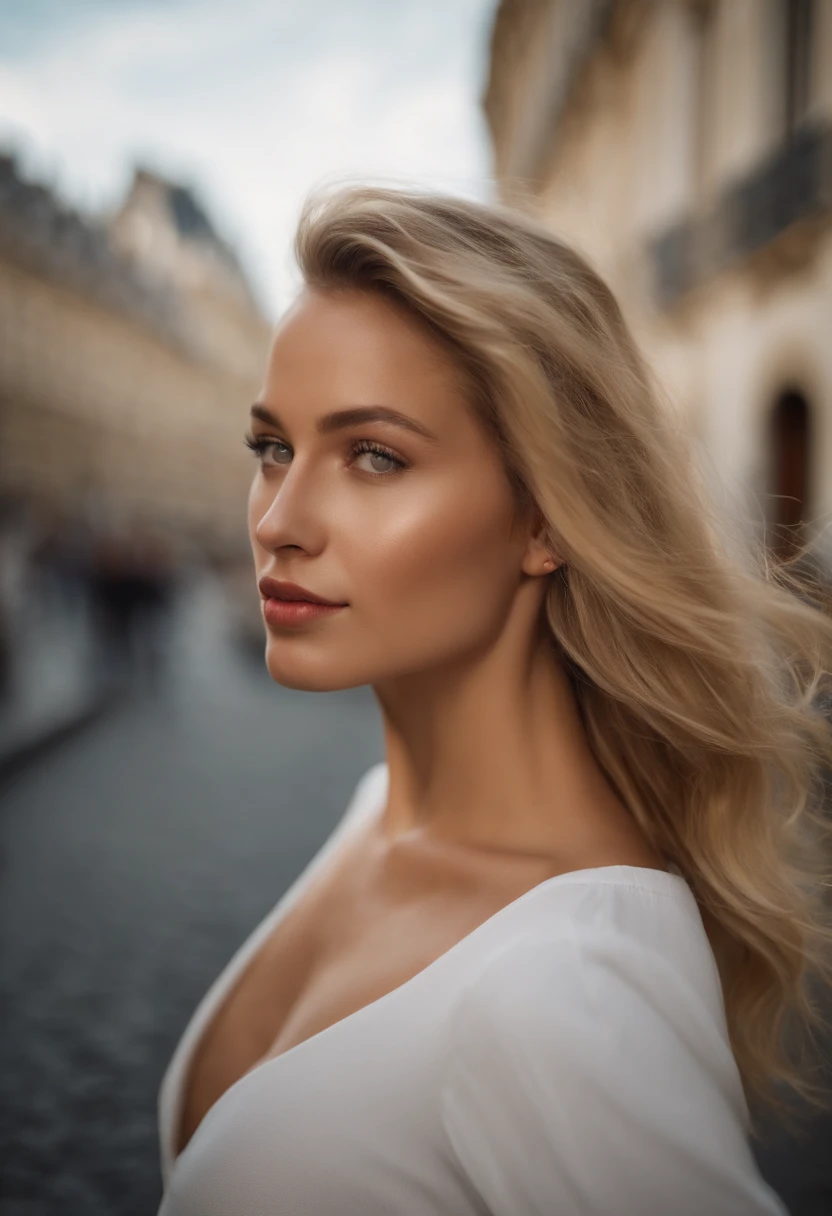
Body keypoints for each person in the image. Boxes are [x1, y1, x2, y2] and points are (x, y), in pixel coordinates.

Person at [156, 185, 832, 1215]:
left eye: (373, 455)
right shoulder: (378, 809)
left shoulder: (563, 989)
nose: (279, 520)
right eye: (272, 449)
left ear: (545, 516)